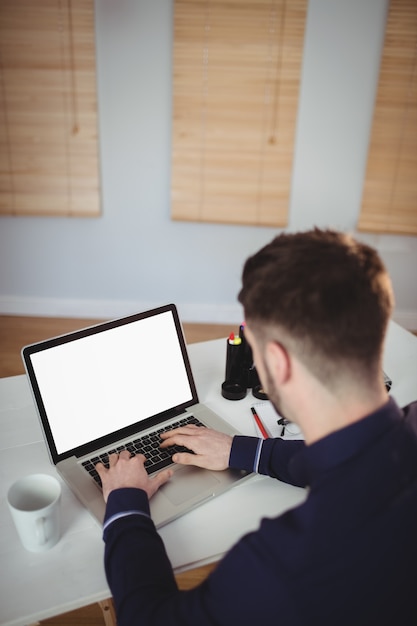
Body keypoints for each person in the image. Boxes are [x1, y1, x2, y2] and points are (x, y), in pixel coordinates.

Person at [96, 228, 417, 626]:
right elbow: (356, 452)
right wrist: (246, 450)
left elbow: (149, 619)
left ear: (278, 364)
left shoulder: (283, 566)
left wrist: (125, 507)